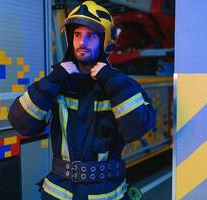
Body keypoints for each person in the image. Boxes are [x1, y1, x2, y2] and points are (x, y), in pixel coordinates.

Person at [8, 1, 156, 200]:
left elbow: (136, 128)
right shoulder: (58, 83)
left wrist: (111, 80)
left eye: (90, 36)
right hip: (59, 193)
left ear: (104, 41)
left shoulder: (121, 86)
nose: (81, 42)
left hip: (106, 192)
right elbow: (22, 123)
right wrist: (53, 80)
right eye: (77, 35)